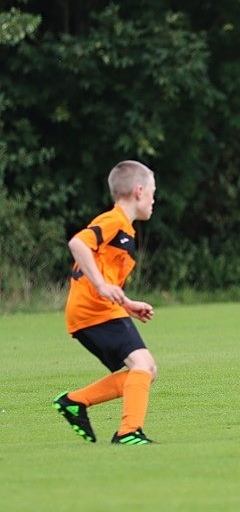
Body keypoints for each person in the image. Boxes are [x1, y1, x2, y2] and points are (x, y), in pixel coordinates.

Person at [53, 160, 159, 445]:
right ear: (138, 191)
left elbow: (106, 276)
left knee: (146, 369)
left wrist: (127, 304)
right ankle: (128, 432)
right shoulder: (113, 221)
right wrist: (101, 286)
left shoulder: (126, 230)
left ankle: (76, 401)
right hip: (93, 311)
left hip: (102, 310)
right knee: (141, 364)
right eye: (152, 192)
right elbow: (78, 243)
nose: (153, 200)